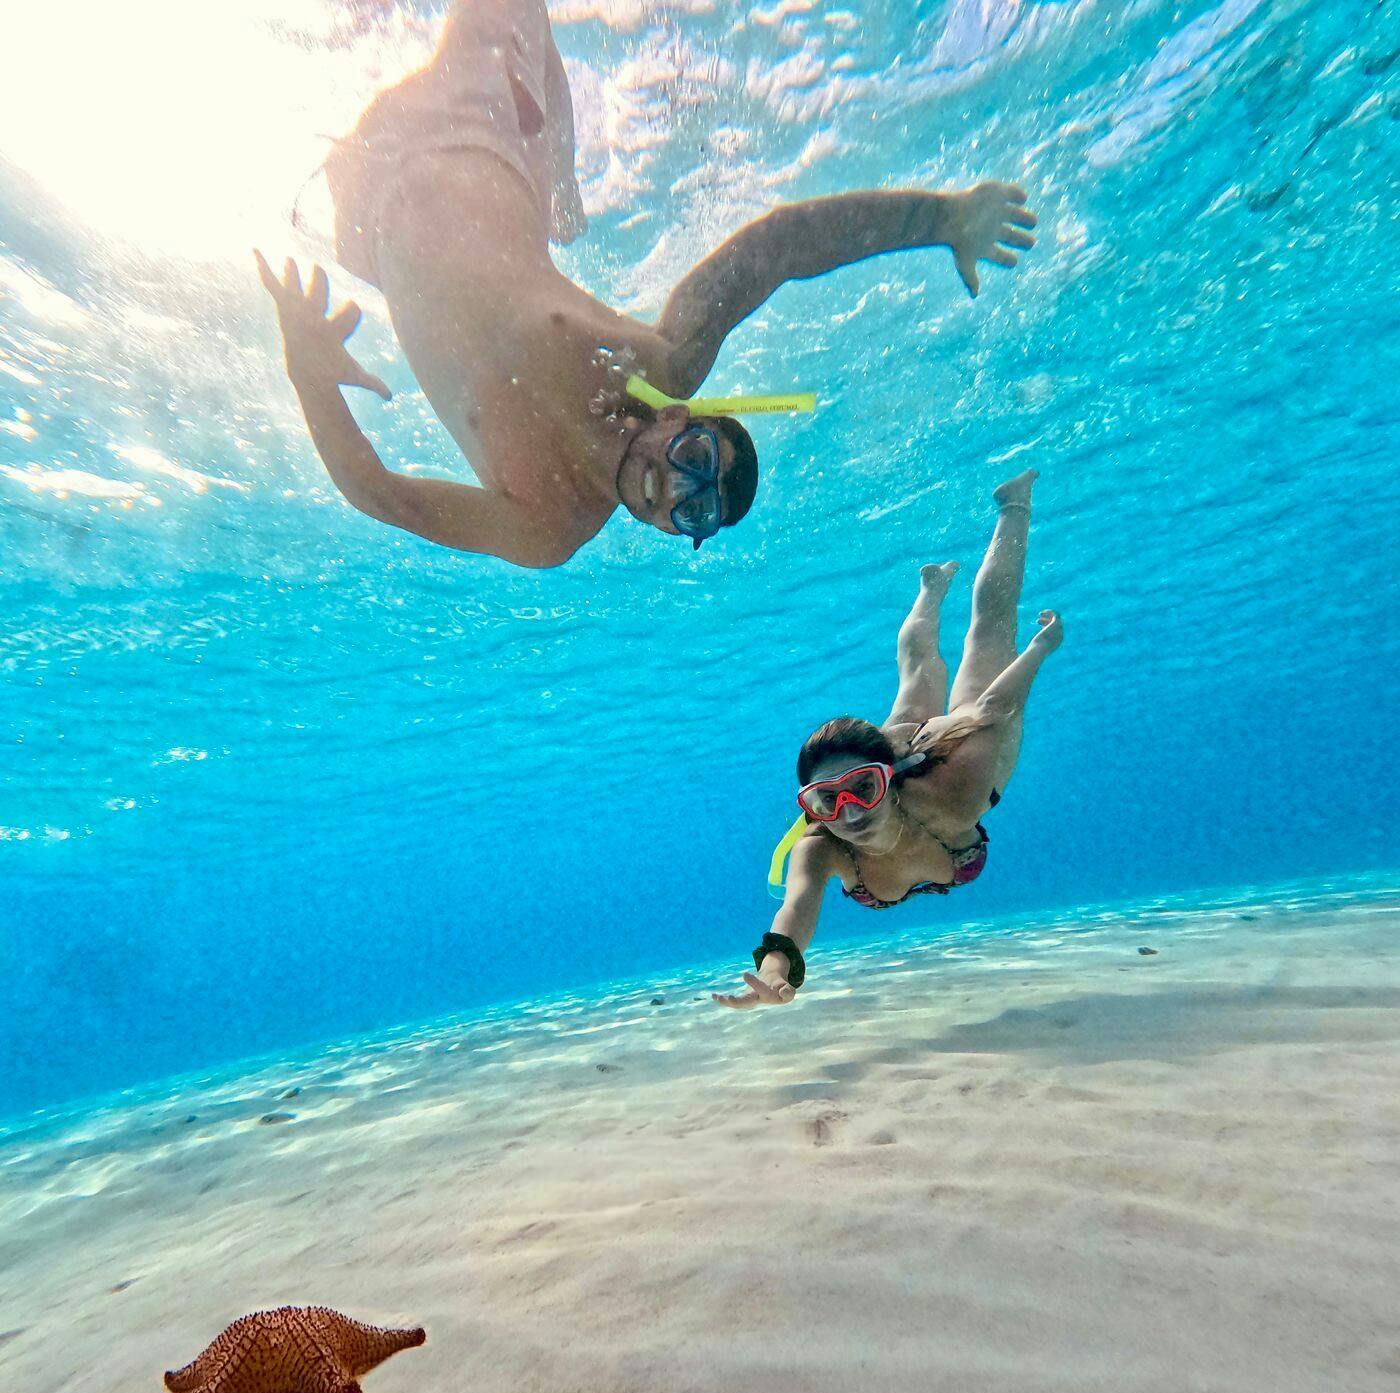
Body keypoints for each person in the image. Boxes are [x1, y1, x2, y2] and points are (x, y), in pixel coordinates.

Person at [254, 0, 1038, 569]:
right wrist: (941, 218)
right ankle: (557, 175)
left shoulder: (544, 527)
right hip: (467, 128)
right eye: (696, 456)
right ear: (684, 419)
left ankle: (559, 182)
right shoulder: (657, 361)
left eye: (692, 514)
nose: (674, 488)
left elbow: (381, 494)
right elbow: (779, 248)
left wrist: (308, 372)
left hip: (362, 224)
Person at [713, 469, 1061, 1008]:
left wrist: (1039, 649)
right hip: (910, 755)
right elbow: (796, 910)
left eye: (862, 788)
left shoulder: (958, 784)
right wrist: (780, 970)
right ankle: (931, 589)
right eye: (827, 801)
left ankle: (1014, 505)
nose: (848, 811)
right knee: (919, 672)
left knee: (989, 635)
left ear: (889, 781)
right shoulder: (821, 848)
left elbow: (995, 709)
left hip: (949, 744)